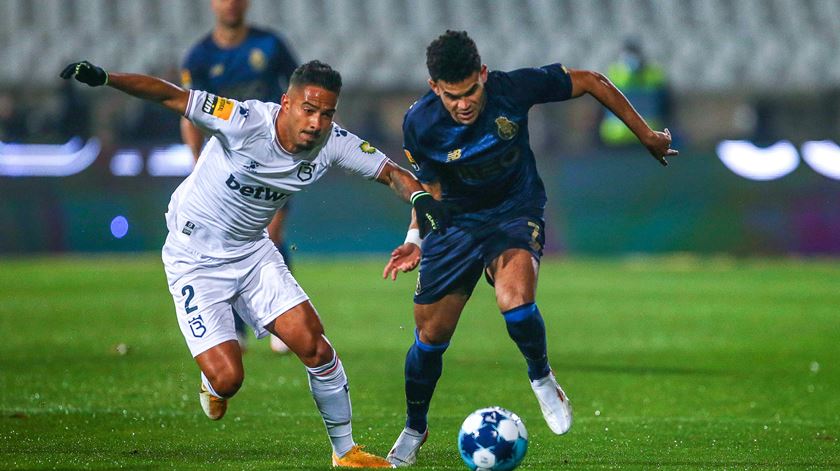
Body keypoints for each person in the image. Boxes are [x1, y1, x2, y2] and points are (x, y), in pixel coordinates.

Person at [61, 59, 450, 468]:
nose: (317, 122)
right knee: (229, 379)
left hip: (252, 252)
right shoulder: (242, 119)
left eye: (327, 113)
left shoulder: (332, 141)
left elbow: (391, 172)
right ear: (286, 103)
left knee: (315, 347)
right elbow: (170, 95)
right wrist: (107, 78)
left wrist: (420, 200)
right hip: (194, 257)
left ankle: (345, 452)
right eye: (309, 109)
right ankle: (212, 383)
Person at [382, 30, 678, 467]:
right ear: (434, 88)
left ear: (483, 75)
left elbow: (593, 81)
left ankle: (541, 377)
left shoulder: (513, 89)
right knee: (430, 339)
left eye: (470, 91)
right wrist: (416, 239)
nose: (463, 104)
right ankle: (415, 426)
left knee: (516, 302)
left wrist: (646, 135)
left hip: (513, 211)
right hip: (456, 222)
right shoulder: (419, 123)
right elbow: (430, 187)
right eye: (451, 96)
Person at [180, 0, 300, 353]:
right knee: (227, 241)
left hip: (272, 158)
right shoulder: (198, 57)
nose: (230, 4)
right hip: (224, 165)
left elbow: (298, 91)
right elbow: (189, 113)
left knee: (272, 232)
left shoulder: (271, 46)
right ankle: (234, 327)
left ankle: (279, 319)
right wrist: (197, 161)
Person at [599, 39, 670, 147]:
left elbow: (666, 105)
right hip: (615, 139)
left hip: (646, 138)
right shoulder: (613, 74)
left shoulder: (653, 75)